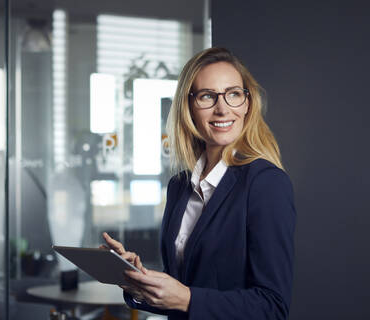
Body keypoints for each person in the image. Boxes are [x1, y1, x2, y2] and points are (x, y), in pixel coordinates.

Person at [101, 47, 296, 319]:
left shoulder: (266, 184)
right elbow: (179, 291)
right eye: (207, 96)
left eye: (233, 94)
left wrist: (187, 299)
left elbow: (272, 307)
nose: (222, 108)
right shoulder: (179, 186)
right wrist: (137, 279)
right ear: (189, 107)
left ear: (247, 103)